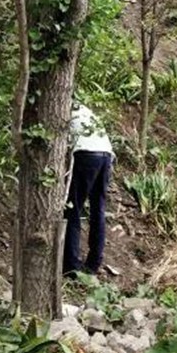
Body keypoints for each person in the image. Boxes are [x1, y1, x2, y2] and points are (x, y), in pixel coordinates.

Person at [63, 103, 114, 277]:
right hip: (106, 153)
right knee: (98, 209)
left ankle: (71, 265)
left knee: (73, 208)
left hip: (85, 153)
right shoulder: (84, 109)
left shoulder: (62, 108)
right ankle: (93, 263)